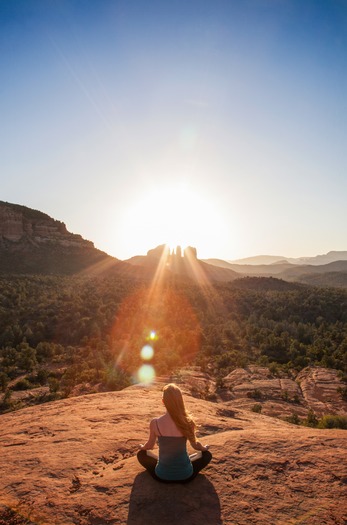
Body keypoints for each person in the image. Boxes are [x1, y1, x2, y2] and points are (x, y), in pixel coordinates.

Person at [137, 383, 212, 483]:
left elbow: (149, 445)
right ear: (180, 401)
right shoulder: (187, 422)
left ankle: (165, 465)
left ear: (163, 402)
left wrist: (142, 447)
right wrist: (204, 448)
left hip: (161, 476)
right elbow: (196, 446)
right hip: (185, 476)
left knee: (141, 455)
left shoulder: (155, 423)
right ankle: (183, 463)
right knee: (207, 455)